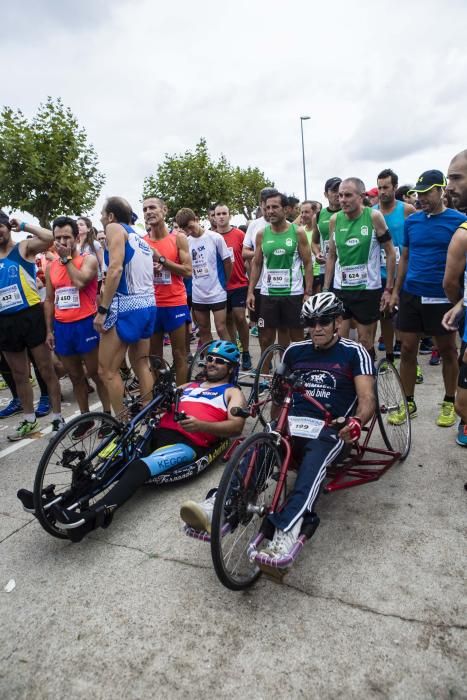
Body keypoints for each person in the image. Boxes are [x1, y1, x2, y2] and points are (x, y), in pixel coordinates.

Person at [180, 293, 375, 559]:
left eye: (324, 321)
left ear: (338, 321)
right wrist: (271, 423)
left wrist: (357, 421)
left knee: (310, 469)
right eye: (311, 322)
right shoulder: (295, 351)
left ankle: (288, 530)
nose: (317, 328)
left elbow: (366, 398)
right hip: (290, 422)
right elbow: (278, 392)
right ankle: (219, 504)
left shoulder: (355, 352)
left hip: (330, 427)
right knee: (259, 448)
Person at [29, 341, 247, 542]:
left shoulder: (231, 392)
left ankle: (92, 518)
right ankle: (60, 501)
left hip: (188, 443)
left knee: (137, 467)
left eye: (220, 361)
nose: (212, 363)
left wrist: (201, 425)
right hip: (156, 433)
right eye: (209, 358)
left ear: (231, 368)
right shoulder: (188, 386)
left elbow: (236, 427)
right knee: (111, 461)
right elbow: (160, 405)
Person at [389, 170, 467, 427]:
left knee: (447, 351)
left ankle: (448, 400)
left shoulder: (458, 220)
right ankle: (407, 402)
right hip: (412, 294)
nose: (421, 197)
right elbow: (406, 258)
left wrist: (459, 300)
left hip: (442, 296)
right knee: (408, 349)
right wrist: (396, 291)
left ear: (441, 190)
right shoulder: (413, 221)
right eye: (419, 192)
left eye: (427, 192)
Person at [0, 212, 64, 440]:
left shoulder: (23, 248)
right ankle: (29, 420)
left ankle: (58, 418)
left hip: (30, 315)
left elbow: (49, 238)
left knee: (46, 370)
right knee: (19, 375)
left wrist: (25, 225)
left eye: (0, 226)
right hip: (5, 321)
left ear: (8, 226)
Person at [44, 216, 111, 433]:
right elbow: (49, 299)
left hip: (85, 324)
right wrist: (49, 330)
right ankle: (86, 418)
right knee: (75, 377)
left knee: (96, 374)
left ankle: (107, 416)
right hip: (63, 327)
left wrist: (66, 260)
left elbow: (80, 282)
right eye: (58, 238)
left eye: (67, 237)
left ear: (76, 237)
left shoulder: (88, 259)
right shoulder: (51, 266)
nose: (62, 242)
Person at [94, 197, 156, 416]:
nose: (101, 218)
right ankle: (149, 418)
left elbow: (115, 269)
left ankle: (121, 425)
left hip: (126, 306)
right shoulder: (141, 238)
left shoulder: (113, 228)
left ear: (111, 216)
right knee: (141, 364)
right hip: (147, 304)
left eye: (102, 214)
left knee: (107, 371)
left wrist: (102, 310)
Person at [324, 178, 397, 357]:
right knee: (341, 342)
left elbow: (390, 252)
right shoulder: (335, 219)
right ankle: (347, 382)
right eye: (340, 195)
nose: (342, 200)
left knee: (365, 342)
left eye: (348, 195)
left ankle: (368, 380)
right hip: (342, 288)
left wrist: (388, 289)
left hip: (367, 290)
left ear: (361, 196)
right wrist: (327, 288)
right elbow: (332, 256)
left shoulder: (373, 216)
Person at [247, 191, 314, 349]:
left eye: (275, 207)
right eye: (267, 207)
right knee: (265, 339)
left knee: (296, 339)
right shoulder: (261, 234)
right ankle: (265, 373)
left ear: (286, 209)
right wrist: (250, 291)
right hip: (268, 295)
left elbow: (308, 263)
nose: (270, 211)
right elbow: (257, 264)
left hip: (293, 294)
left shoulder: (297, 232)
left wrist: (308, 292)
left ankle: (294, 371)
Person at [143, 196, 192, 385]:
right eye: (145, 209)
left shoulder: (178, 238)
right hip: (152, 304)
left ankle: (180, 398)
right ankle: (161, 394)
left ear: (164, 211)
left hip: (175, 303)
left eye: (152, 207)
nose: (148, 212)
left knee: (179, 354)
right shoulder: (142, 242)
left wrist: (162, 261)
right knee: (154, 356)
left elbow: (188, 271)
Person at [373, 168, 418, 368]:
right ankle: (389, 358)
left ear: (395, 187)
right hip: (380, 272)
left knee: (406, 320)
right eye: (380, 187)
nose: (382, 192)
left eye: (386, 187)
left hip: (404, 272)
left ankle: (412, 361)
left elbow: (416, 237)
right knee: (386, 317)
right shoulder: (372, 213)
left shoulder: (406, 210)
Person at [175, 208, 232, 346]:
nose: (189, 231)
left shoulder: (215, 237)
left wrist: (225, 283)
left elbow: (227, 262)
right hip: (198, 293)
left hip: (217, 291)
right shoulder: (186, 242)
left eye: (190, 227)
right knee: (204, 330)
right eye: (185, 229)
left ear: (196, 219)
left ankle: (231, 362)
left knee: (220, 328)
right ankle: (209, 361)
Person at [214, 203, 252, 370]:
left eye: (224, 213)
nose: (221, 216)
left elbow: (247, 257)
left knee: (240, 318)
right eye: (218, 214)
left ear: (229, 215)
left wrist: (251, 281)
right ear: (214, 217)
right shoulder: (212, 236)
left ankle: (246, 352)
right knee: (228, 320)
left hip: (239, 283)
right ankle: (233, 353)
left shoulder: (239, 234)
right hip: (221, 287)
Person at [242, 187, 277, 343]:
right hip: (260, 285)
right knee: (264, 332)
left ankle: (286, 363)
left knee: (284, 330)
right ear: (261, 203)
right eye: (265, 204)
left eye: (273, 204)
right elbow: (244, 252)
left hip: (284, 288)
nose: (268, 208)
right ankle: (266, 365)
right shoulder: (255, 225)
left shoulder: (290, 227)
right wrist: (261, 253)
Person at [311, 177, 342, 289]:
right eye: (334, 191)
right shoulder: (318, 216)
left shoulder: (349, 212)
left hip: (346, 268)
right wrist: (317, 254)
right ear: (326, 194)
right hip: (326, 268)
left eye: (340, 190)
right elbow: (314, 242)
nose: (338, 194)